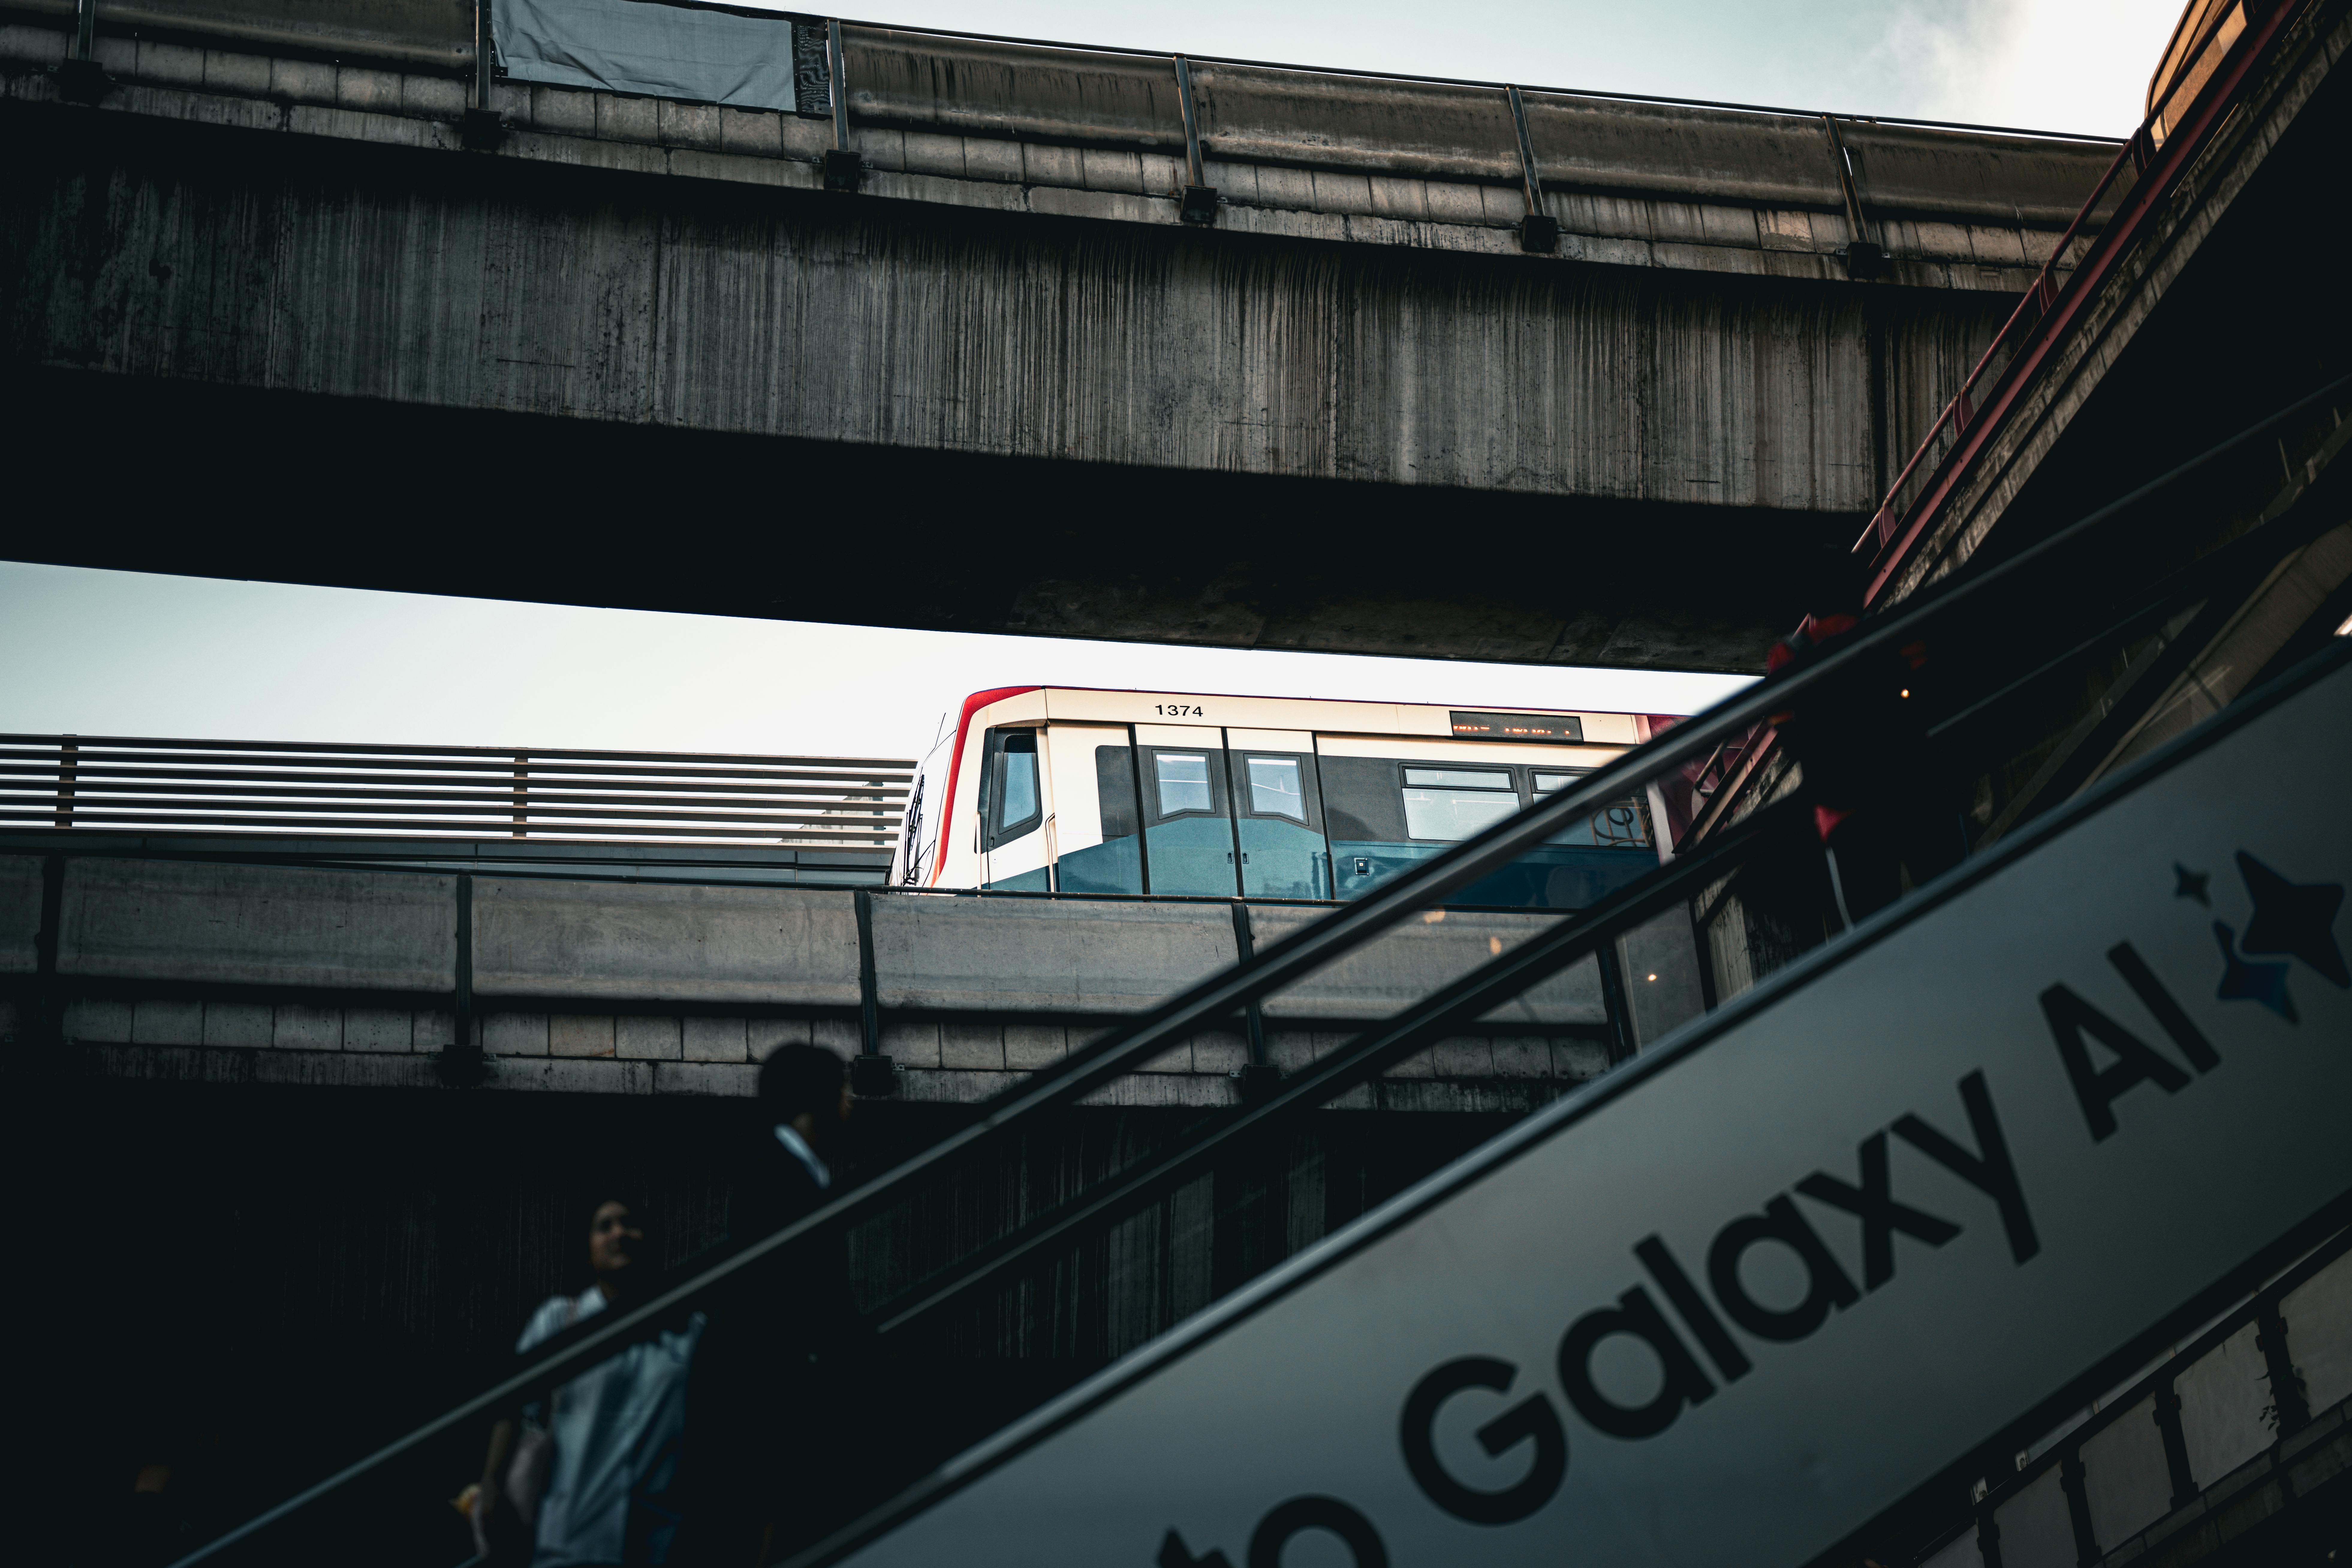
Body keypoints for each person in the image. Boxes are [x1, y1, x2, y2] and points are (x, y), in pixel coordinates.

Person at [671, 1043, 863, 1567]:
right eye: (843, 1088)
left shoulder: (785, 1167)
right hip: (753, 1386)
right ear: (815, 1100)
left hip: (754, 1382)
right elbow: (797, 1288)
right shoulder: (776, 1173)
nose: (851, 1100)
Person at [473, 1195, 704, 1567]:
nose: (619, 1233)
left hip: (658, 1543)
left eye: (630, 1223)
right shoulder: (559, 1320)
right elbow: (511, 1402)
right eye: (605, 1226)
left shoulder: (688, 1330)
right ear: (589, 1247)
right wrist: (492, 1480)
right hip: (570, 1537)